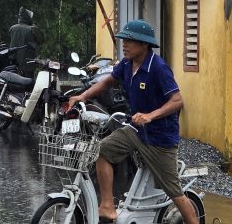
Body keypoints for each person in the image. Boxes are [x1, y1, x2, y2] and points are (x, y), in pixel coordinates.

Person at [68, 20, 199, 224]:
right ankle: (108, 207)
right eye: (124, 40)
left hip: (160, 138)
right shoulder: (127, 65)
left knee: (173, 190)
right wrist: (83, 96)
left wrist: (150, 116)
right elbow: (108, 81)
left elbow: (177, 101)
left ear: (144, 44)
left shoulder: (158, 68)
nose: (124, 44)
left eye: (130, 41)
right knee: (100, 150)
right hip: (136, 131)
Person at [8, 7, 44, 76]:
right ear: (28, 18)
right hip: (28, 63)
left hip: (13, 63)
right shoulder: (32, 29)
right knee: (28, 83)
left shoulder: (12, 28)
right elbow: (41, 40)